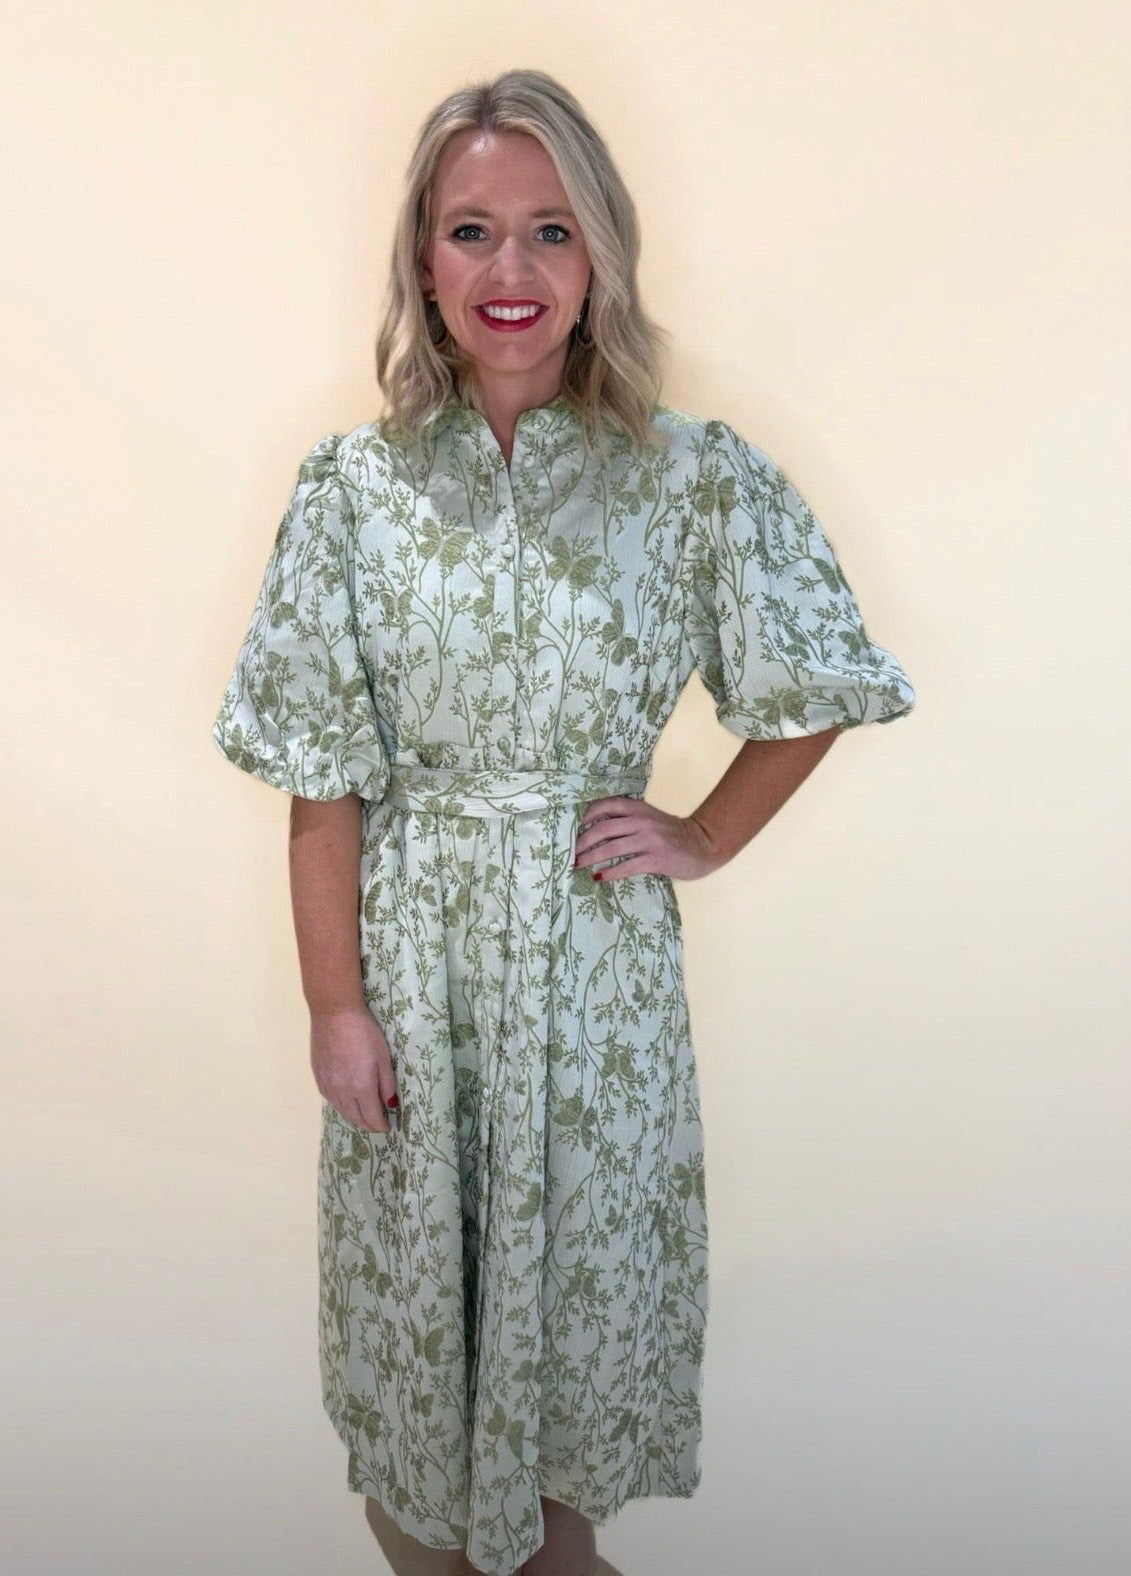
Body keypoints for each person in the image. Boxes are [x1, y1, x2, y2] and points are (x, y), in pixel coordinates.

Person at [211, 68, 915, 1576]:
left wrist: (703, 834)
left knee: (551, 1468)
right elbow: (317, 786)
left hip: (594, 1002)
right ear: (421, 256)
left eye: (548, 232)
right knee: (412, 1441)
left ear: (599, 256)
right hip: (414, 979)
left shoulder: (684, 480)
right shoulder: (354, 492)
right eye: (471, 231)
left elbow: (819, 680)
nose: (509, 272)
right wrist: (336, 1007)